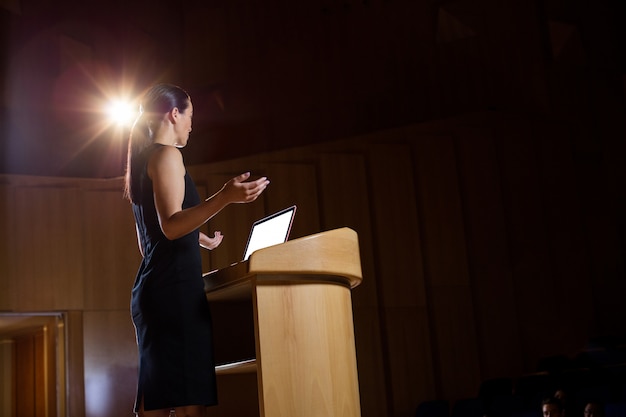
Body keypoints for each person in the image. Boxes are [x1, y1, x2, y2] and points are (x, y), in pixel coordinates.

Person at [124, 83, 269, 417]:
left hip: (154, 290)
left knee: (157, 400)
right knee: (188, 401)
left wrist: (200, 239)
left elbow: (149, 239)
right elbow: (171, 226)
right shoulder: (167, 154)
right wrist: (224, 197)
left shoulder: (145, 158)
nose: (192, 125)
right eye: (190, 116)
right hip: (174, 294)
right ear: (174, 114)